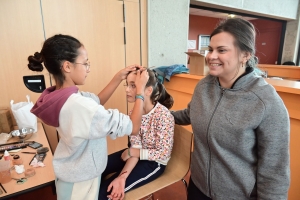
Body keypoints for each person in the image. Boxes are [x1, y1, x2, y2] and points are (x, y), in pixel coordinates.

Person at [172, 18, 290, 200]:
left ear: (245, 55)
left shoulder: (266, 101)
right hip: (198, 186)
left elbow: (275, 170)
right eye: (210, 49)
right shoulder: (204, 86)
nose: (211, 56)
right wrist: (156, 114)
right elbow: (190, 114)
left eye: (222, 50)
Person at [27, 34, 149, 200]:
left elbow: (95, 102)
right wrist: (140, 92)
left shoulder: (60, 96)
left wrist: (118, 77)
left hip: (72, 172)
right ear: (67, 66)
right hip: (79, 183)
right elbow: (133, 128)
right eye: (85, 63)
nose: (88, 68)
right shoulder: (80, 106)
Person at [98, 69, 175, 200]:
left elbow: (163, 154)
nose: (127, 90)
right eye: (127, 85)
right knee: (98, 168)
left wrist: (133, 155)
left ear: (148, 90)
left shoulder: (164, 116)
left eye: (133, 85)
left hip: (154, 163)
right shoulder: (133, 112)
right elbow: (135, 146)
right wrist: (123, 175)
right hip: (136, 153)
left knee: (106, 191)